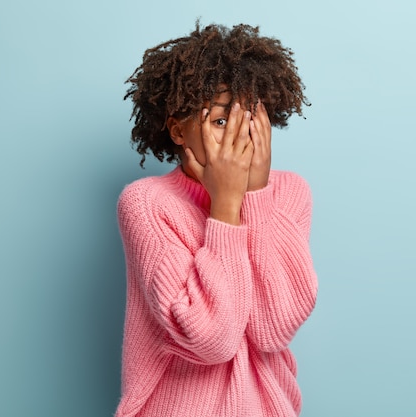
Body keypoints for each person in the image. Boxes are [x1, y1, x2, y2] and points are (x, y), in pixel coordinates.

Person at [115, 21, 318, 417]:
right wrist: (226, 206)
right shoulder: (146, 204)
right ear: (178, 130)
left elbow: (272, 329)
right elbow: (211, 341)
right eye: (221, 121)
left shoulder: (291, 193)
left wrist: (255, 197)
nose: (238, 137)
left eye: (250, 118)